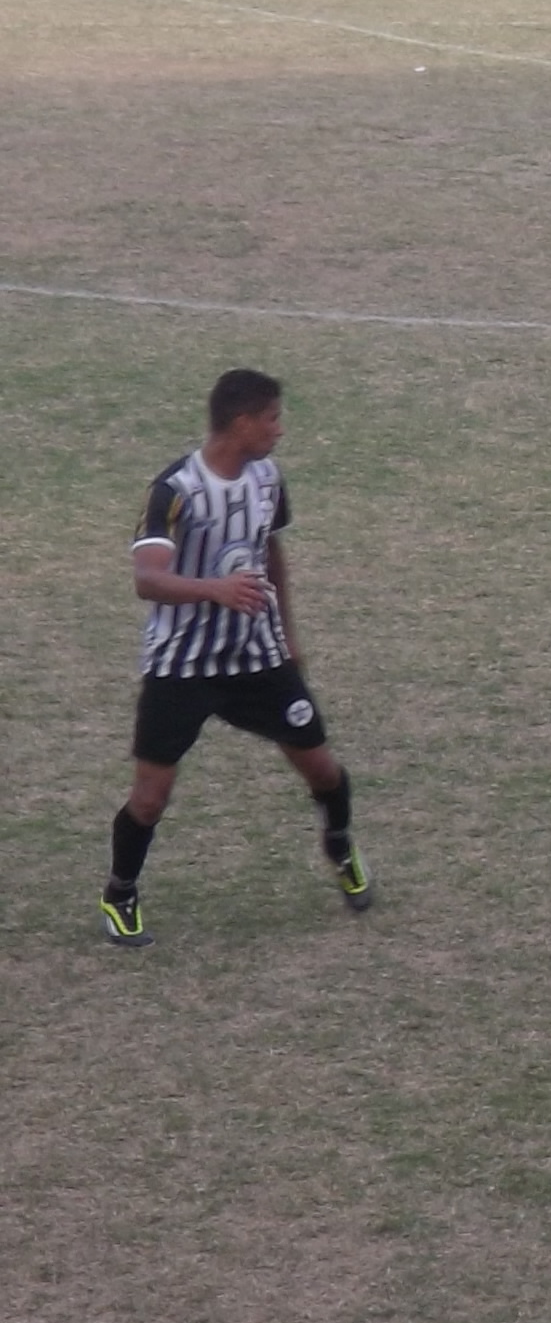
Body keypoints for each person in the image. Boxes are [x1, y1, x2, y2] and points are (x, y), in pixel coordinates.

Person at [100, 366, 367, 945]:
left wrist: (288, 635)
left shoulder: (267, 478)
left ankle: (340, 845)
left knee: (322, 768)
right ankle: (120, 893)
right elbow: (147, 579)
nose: (279, 430)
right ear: (241, 422)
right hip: (182, 666)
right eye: (272, 419)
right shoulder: (176, 489)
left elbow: (270, 551)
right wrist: (215, 590)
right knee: (150, 798)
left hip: (258, 657)